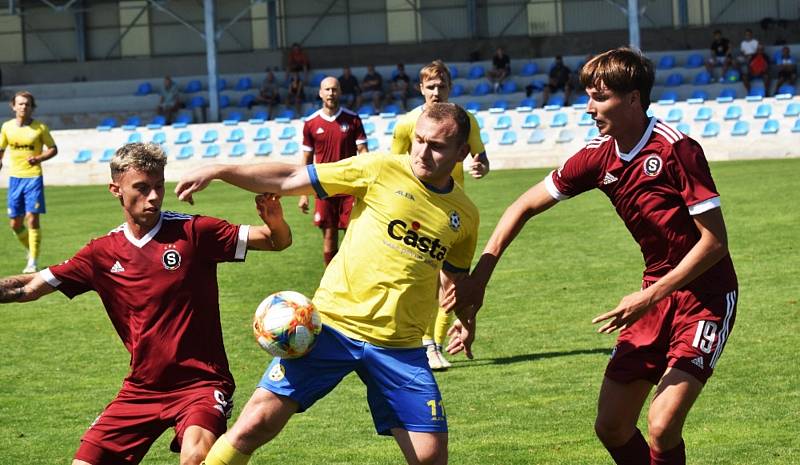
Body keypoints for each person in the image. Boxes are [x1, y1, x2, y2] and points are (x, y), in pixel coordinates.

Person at [445, 47, 738, 465]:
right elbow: (522, 206)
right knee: (612, 425)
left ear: (633, 99)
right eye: (588, 96)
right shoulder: (597, 156)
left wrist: (649, 297)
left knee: (661, 424)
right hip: (654, 293)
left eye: (599, 98)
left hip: (706, 294)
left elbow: (714, 243)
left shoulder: (677, 150)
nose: (588, 108)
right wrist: (481, 278)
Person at [175, 102, 478, 465]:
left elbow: (454, 279)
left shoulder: (465, 216)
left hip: (400, 346)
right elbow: (290, 178)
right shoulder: (379, 168)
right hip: (329, 327)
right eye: (419, 140)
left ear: (461, 152)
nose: (422, 152)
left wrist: (466, 316)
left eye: (437, 146)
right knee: (254, 422)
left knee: (431, 458)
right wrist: (220, 169)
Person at [0, 142, 292, 465]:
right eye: (142, 188)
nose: (153, 197)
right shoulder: (101, 253)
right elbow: (31, 286)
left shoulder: (193, 232)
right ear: (116, 190)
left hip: (202, 384)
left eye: (158, 187)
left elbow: (276, 240)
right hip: (142, 388)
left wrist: (275, 220)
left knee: (197, 457)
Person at [390, 59, 489, 371]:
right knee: (422, 281)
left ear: (450, 88)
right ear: (420, 89)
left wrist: (479, 167)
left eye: (441, 86)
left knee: (451, 282)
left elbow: (482, 158)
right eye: (430, 86)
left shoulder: (465, 120)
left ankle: (433, 345)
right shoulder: (407, 124)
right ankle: (418, 342)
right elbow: (394, 167)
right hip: (417, 208)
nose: (436, 91)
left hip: (453, 211)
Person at [298, 76, 368, 266]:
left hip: (349, 187)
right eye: (327, 89)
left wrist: (367, 183)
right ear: (320, 93)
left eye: (334, 89)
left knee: (353, 236)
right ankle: (331, 281)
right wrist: (303, 194)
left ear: (340, 92)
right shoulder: (311, 123)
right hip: (324, 187)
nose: (331, 93)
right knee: (329, 237)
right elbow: (306, 159)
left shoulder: (352, 120)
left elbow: (363, 152)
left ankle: (353, 279)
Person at [0, 91, 58, 273]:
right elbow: (0, 150)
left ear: (32, 107)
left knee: (32, 218)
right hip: (15, 179)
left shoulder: (40, 128)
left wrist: (39, 158)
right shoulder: (7, 127)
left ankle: (32, 261)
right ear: (13, 106)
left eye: (27, 104)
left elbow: (53, 149)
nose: (24, 107)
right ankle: (30, 249)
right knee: (15, 224)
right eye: (20, 104)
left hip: (33, 177)